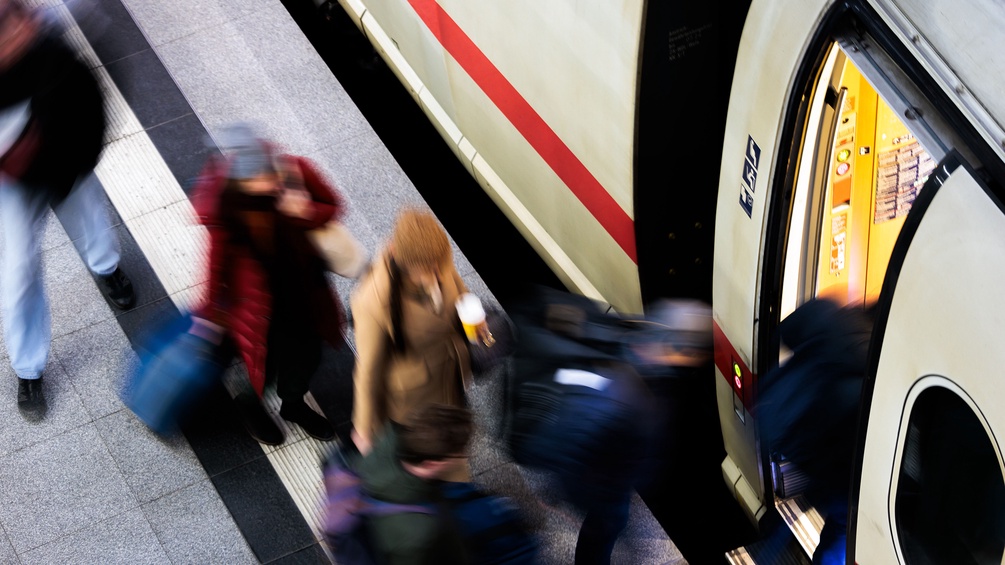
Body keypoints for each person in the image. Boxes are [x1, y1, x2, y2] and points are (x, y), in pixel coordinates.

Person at [0, 0, 135, 420]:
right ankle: (28, 367)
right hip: (11, 179)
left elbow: (93, 111)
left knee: (89, 212)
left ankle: (106, 266)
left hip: (62, 159)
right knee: (19, 268)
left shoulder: (51, 52)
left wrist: (75, 162)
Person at [190, 122, 345, 445]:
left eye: (269, 173)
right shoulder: (227, 205)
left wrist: (305, 210)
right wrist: (208, 312)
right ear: (242, 181)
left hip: (305, 294)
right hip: (259, 308)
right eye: (260, 179)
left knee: (307, 357)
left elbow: (333, 205)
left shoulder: (295, 171)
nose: (271, 182)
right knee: (265, 364)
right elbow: (217, 262)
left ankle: (293, 405)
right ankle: (249, 404)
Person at [350, 208, 487, 457]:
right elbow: (368, 371)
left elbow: (458, 287)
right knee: (426, 454)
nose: (439, 274)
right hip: (414, 399)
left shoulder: (435, 257)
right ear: (405, 263)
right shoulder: (373, 301)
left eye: (440, 265)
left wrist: (474, 315)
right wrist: (364, 429)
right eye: (429, 270)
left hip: (450, 369)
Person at [757, 297, 873, 565]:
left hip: (786, 421)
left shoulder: (840, 315)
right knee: (840, 524)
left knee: (818, 498)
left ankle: (769, 549)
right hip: (828, 454)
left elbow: (786, 330)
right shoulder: (880, 378)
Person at [352, 403, 473, 565]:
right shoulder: (419, 533)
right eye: (460, 456)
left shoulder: (389, 442)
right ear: (431, 464)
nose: (464, 458)